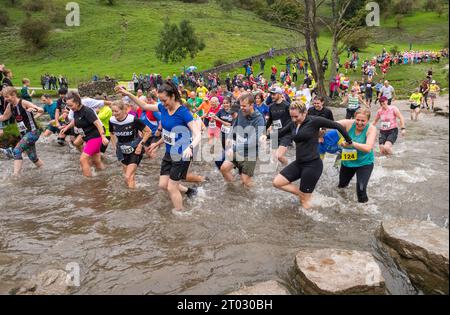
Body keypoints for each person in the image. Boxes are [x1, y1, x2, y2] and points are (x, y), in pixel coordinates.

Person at [115, 82, 201, 213]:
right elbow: (144, 106)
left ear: (173, 96)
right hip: (168, 152)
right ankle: (190, 191)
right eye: (160, 100)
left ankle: (181, 213)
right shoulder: (162, 108)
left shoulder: (183, 112)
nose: (163, 103)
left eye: (164, 100)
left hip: (181, 153)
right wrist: (127, 94)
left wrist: (190, 147)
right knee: (163, 185)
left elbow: (197, 134)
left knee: (172, 187)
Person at [272, 101, 353, 209]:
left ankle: (309, 221)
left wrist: (349, 141)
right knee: (277, 182)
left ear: (304, 112)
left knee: (304, 203)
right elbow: (281, 133)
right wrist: (266, 136)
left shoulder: (314, 121)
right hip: (299, 163)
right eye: (291, 117)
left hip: (312, 165)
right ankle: (305, 195)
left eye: (296, 116)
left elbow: (337, 126)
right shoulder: (293, 124)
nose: (293, 119)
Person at [220, 93, 265, 188]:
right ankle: (235, 189)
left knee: (246, 181)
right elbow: (234, 125)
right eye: (241, 105)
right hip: (238, 149)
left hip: (250, 153)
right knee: (224, 168)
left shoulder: (259, 119)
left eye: (244, 106)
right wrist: (230, 137)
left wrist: (234, 148)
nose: (242, 108)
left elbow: (254, 141)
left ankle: (252, 194)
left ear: (252, 105)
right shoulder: (240, 112)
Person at [59, 92, 109, 177]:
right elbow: (75, 120)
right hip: (87, 136)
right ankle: (104, 177)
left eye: (71, 105)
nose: (70, 108)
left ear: (77, 103)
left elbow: (98, 124)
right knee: (96, 161)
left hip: (95, 136)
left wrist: (103, 137)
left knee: (83, 159)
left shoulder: (87, 111)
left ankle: (89, 182)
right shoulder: (76, 111)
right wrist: (67, 127)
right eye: (68, 106)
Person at [0, 87, 45, 176]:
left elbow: (41, 110)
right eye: (4, 97)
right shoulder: (10, 106)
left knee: (17, 150)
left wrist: (34, 109)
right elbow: (4, 117)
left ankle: (16, 176)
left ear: (13, 95)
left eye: (7, 97)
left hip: (33, 132)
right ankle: (45, 170)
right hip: (24, 134)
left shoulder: (23, 102)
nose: (5, 99)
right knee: (33, 157)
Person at [337, 108, 377, 203]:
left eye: (363, 121)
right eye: (357, 120)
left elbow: (368, 148)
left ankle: (363, 212)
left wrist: (352, 143)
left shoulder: (371, 129)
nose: (359, 123)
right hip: (348, 160)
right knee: (341, 187)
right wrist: (321, 129)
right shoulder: (349, 123)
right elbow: (332, 124)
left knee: (361, 189)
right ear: (354, 118)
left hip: (364, 162)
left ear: (367, 121)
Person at [109, 100, 152, 189]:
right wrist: (114, 146)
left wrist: (141, 145)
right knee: (128, 176)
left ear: (124, 110)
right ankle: (133, 194)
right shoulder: (112, 120)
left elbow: (148, 132)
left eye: (116, 111)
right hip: (122, 150)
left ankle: (132, 198)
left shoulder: (133, 120)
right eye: (112, 111)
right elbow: (111, 133)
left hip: (135, 149)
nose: (114, 114)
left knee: (128, 176)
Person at [266, 86, 292, 165]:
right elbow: (270, 120)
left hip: (286, 134)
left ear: (280, 94)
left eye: (274, 94)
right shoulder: (271, 106)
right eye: (271, 94)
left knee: (279, 156)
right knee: (274, 158)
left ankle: (290, 166)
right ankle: (280, 174)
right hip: (275, 133)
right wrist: (263, 132)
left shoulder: (287, 105)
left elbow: (293, 120)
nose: (272, 96)